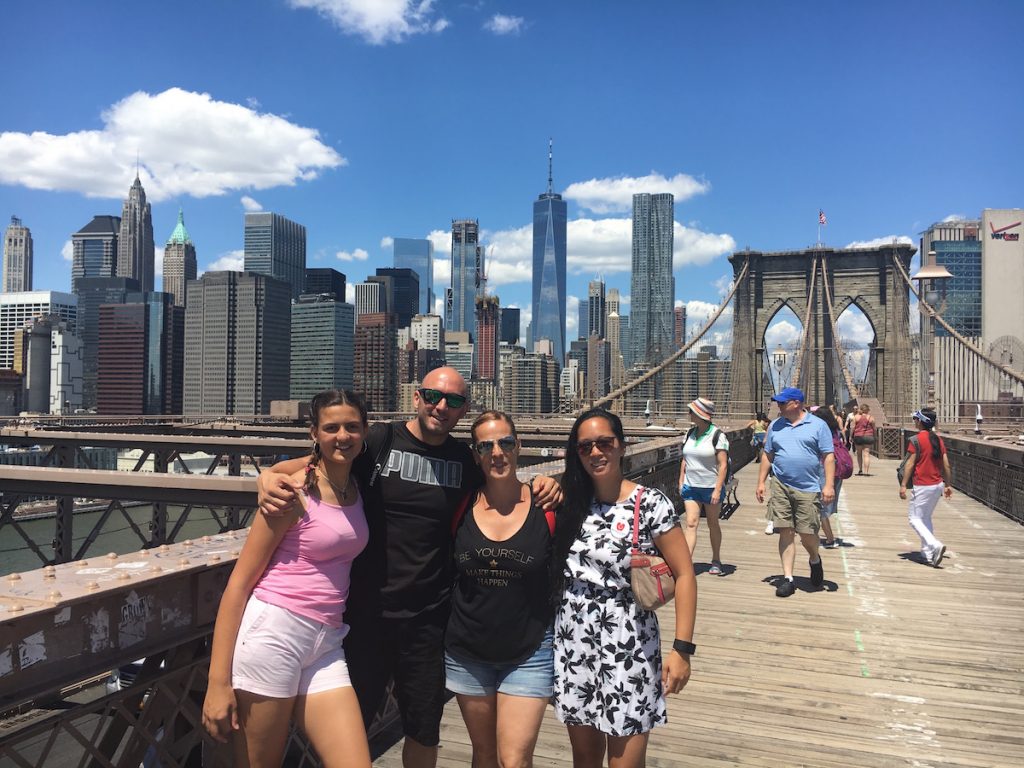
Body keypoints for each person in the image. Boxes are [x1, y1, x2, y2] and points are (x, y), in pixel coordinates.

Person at [256, 367, 561, 768]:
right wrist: (267, 476)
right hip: (362, 618)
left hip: (429, 621)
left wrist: (549, 484)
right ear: (416, 399)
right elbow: (313, 465)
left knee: (423, 729)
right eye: (432, 396)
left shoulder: (465, 461)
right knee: (351, 727)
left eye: (453, 401)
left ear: (463, 409)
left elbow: (501, 483)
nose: (440, 406)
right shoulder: (379, 440)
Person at [202, 390, 372, 768]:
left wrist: (269, 471)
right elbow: (239, 585)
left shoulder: (357, 482)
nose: (342, 436)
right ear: (314, 432)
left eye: (352, 427)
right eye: (331, 428)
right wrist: (218, 684)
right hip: (274, 634)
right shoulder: (292, 494)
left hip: (327, 641)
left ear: (365, 431)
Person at [552, 407, 697, 767]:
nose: (595, 453)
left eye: (604, 443)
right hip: (574, 639)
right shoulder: (569, 502)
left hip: (629, 640)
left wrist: (682, 650)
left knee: (625, 762)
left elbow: (685, 574)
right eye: (585, 447)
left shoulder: (649, 504)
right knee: (584, 758)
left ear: (622, 445)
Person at [445, 411, 555, 768]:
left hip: (530, 651)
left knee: (514, 758)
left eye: (506, 442)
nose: (497, 452)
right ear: (476, 454)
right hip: (467, 652)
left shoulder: (547, 504)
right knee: (485, 754)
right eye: (486, 445)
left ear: (519, 446)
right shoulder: (459, 504)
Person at [755, 388, 835, 598]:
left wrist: (828, 485)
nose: (778, 406)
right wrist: (761, 482)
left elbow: (828, 456)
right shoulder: (775, 425)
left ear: (797, 403)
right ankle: (788, 579)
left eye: (782, 403)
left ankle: (815, 559)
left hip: (808, 487)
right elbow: (768, 455)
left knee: (808, 534)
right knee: (785, 531)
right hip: (780, 484)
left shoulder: (818, 425)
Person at [677, 398, 730, 574]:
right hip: (691, 486)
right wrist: (681, 480)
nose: (689, 414)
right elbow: (685, 459)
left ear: (700, 414)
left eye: (691, 411)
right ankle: (686, 563)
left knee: (713, 523)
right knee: (691, 523)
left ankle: (716, 560)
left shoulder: (718, 435)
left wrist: (717, 489)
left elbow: (723, 465)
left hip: (710, 487)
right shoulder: (689, 433)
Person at [899, 408, 953, 567]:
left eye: (916, 419)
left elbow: (909, 464)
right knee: (925, 517)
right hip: (937, 485)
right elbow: (946, 465)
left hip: (923, 484)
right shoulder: (938, 440)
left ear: (921, 421)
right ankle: (927, 554)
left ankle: (934, 545)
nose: (914, 421)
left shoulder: (916, 440)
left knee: (914, 519)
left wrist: (903, 485)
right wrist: (948, 485)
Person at [811, 406, 844, 549]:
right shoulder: (835, 430)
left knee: (821, 505)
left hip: (823, 468)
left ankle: (830, 538)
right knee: (824, 504)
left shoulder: (820, 430)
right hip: (835, 469)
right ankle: (816, 534)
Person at [851, 404, 876, 475]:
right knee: (866, 454)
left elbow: (852, 428)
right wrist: (875, 436)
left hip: (858, 436)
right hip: (868, 437)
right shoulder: (871, 418)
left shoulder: (856, 417)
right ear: (868, 410)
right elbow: (874, 428)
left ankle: (860, 470)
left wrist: (850, 436)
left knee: (859, 454)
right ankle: (866, 471)